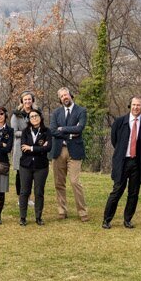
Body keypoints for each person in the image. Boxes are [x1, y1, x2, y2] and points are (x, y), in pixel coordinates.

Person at [103, 97, 141, 229]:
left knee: (134, 193)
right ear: (130, 105)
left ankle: (128, 220)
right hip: (122, 161)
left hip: (138, 162)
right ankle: (107, 220)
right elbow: (115, 141)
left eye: (138, 105)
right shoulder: (120, 122)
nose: (136, 107)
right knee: (117, 190)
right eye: (134, 105)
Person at [48, 87, 89, 223]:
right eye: (62, 96)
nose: (64, 97)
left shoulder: (81, 111)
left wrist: (63, 129)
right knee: (59, 183)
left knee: (75, 182)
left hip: (75, 151)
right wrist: (70, 134)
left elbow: (80, 128)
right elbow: (53, 130)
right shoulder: (56, 113)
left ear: (70, 95)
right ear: (60, 99)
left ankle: (82, 211)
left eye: (66, 95)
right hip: (58, 150)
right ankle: (62, 210)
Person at [16, 108, 50, 225]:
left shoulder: (46, 131)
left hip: (41, 166)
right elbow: (23, 148)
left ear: (40, 117)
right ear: (29, 119)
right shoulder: (25, 131)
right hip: (26, 165)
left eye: (36, 116)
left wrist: (31, 148)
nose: (34, 118)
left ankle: (38, 217)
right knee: (24, 191)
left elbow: (48, 148)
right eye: (31, 116)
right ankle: (23, 217)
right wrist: (40, 148)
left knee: (39, 192)